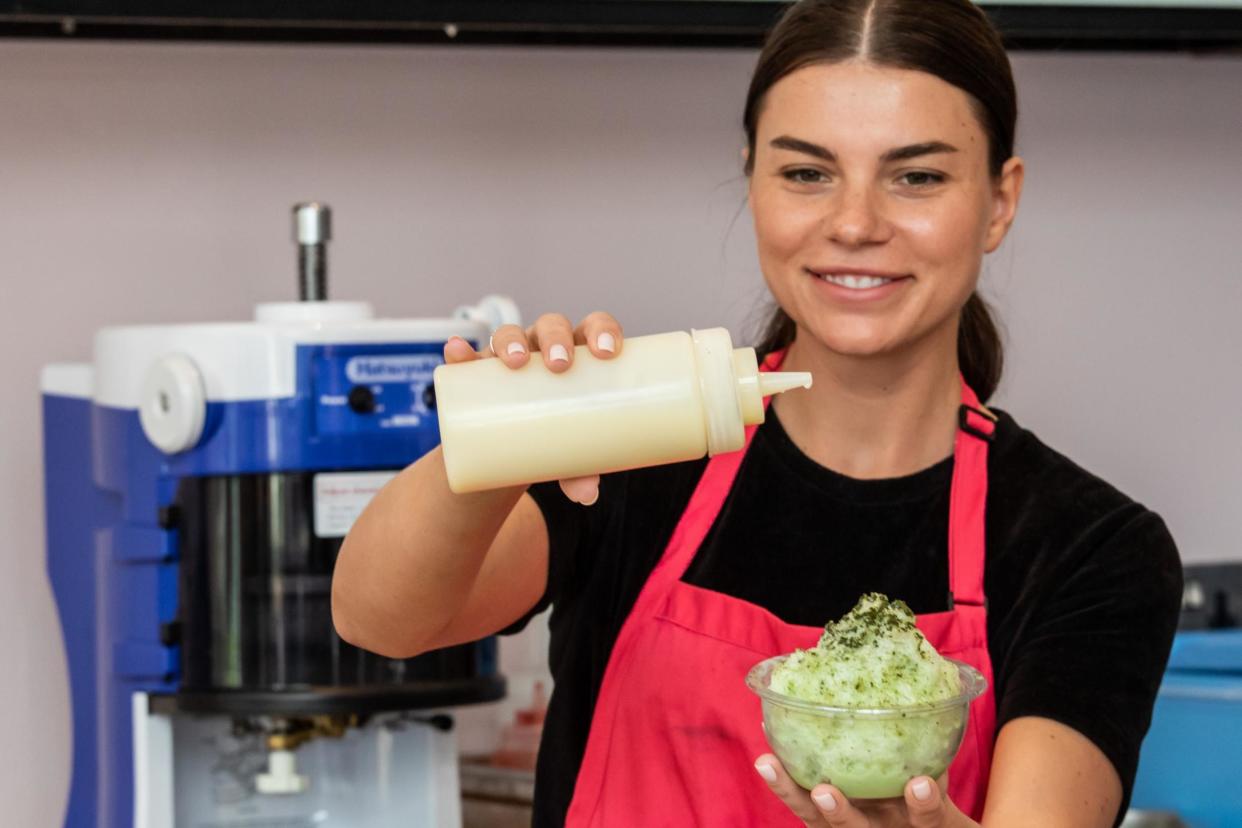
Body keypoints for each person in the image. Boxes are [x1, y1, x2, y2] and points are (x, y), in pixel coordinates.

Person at [331, 1, 1182, 825]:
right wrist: (507, 432)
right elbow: (382, 622)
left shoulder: (1089, 546)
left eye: (916, 176)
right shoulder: (635, 444)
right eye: (807, 173)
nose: (854, 223)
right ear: (753, 180)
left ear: (998, 202)